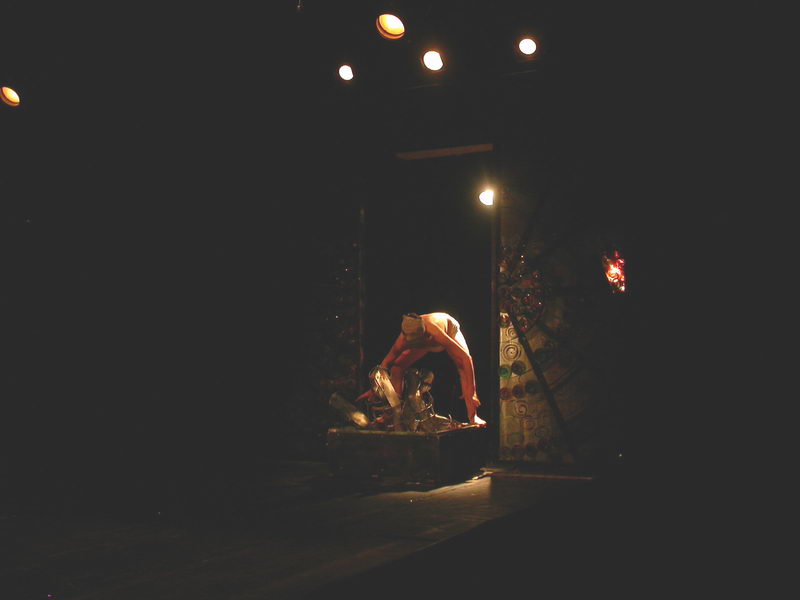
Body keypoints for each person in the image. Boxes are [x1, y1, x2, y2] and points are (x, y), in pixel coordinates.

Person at [357, 312, 486, 426]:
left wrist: (472, 392)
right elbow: (384, 366)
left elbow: (466, 358)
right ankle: (394, 412)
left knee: (462, 366)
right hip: (422, 340)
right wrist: (375, 389)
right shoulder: (403, 340)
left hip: (449, 330)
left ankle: (473, 416)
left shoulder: (436, 333)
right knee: (397, 367)